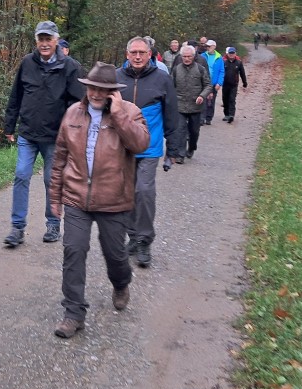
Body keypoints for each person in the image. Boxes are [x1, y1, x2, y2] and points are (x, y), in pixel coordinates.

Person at [50, 62, 149, 338]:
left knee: (115, 255)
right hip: (76, 197)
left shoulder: (130, 111)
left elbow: (141, 144)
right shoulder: (73, 113)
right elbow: (59, 158)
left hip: (113, 200)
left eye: (103, 89)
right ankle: (73, 313)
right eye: (92, 87)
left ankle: (121, 283)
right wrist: (55, 197)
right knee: (74, 251)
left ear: (113, 92)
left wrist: (118, 115)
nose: (95, 93)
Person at [2, 20, 84, 246]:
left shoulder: (70, 66)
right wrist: (9, 125)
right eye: (41, 39)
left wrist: (72, 131)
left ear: (56, 41)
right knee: (21, 175)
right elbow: (16, 96)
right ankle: (17, 228)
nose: (45, 43)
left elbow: (78, 103)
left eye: (49, 39)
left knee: (51, 180)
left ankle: (53, 224)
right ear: (36, 40)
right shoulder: (27, 63)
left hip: (55, 137)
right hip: (28, 133)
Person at [116, 36, 178, 268]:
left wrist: (173, 148)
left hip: (149, 147)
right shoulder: (116, 77)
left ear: (150, 54)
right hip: (123, 147)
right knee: (126, 194)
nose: (138, 56)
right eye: (134, 52)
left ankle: (144, 240)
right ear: (127, 54)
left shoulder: (162, 78)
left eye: (142, 52)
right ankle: (133, 236)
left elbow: (171, 113)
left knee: (144, 191)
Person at [169, 45, 213, 163]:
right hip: (180, 105)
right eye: (184, 56)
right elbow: (170, 86)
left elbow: (208, 85)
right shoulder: (176, 70)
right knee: (180, 130)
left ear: (193, 56)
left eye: (189, 56)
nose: (187, 59)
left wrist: (202, 96)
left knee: (194, 131)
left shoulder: (200, 69)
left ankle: (192, 147)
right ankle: (180, 154)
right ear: (181, 57)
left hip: (196, 106)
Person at [221, 47, 248, 123]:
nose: (231, 55)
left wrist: (244, 83)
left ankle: (231, 115)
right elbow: (221, 72)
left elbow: (242, 73)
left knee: (232, 99)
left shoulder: (238, 63)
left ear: (235, 54)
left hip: (234, 85)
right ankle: (226, 114)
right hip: (225, 84)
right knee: (225, 99)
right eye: (230, 53)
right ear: (228, 54)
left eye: (233, 53)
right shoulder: (224, 62)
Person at [201, 39, 224, 125]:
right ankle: (202, 118)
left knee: (211, 101)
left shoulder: (219, 57)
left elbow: (222, 71)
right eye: (207, 46)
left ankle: (209, 118)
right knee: (202, 99)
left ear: (214, 47)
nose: (207, 48)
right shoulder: (202, 56)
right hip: (203, 82)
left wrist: (219, 83)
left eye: (209, 46)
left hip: (214, 83)